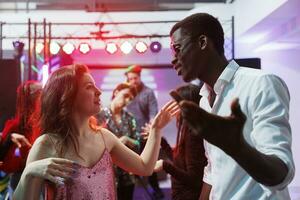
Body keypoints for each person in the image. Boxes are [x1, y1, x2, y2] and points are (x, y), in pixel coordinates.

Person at [170, 13, 295, 199]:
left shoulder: (261, 84)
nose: (173, 59)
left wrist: (236, 147)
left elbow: (281, 174)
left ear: (203, 42)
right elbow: (213, 171)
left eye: (177, 49)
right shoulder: (204, 99)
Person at [13, 64, 179, 200]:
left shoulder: (104, 137)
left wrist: (156, 129)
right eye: (89, 87)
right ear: (67, 95)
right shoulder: (46, 144)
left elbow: (145, 167)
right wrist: (29, 173)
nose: (99, 92)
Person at [151, 84, 207, 200]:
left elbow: (194, 180)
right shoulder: (187, 129)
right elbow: (179, 163)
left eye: (176, 103)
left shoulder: (193, 134)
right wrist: (160, 139)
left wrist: (165, 165)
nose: (173, 107)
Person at [125, 64, 165, 199]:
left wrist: (151, 127)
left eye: (135, 78)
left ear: (139, 77)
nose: (133, 82)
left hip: (143, 134)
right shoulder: (125, 93)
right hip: (128, 135)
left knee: (149, 164)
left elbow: (153, 111)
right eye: (130, 79)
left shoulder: (148, 92)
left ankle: (156, 190)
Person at [96, 82, 140, 200]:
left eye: (130, 99)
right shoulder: (99, 115)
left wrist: (127, 140)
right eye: (125, 95)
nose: (127, 101)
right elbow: (93, 143)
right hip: (105, 173)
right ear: (116, 92)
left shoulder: (130, 118)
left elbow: (138, 143)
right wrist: (117, 142)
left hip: (127, 173)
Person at [0, 81, 42, 190]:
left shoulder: (44, 122)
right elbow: (4, 163)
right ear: (29, 99)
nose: (44, 95)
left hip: (41, 181)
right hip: (22, 182)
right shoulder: (15, 126)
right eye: (39, 92)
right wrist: (24, 162)